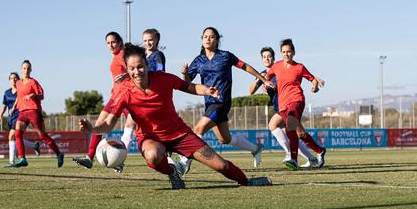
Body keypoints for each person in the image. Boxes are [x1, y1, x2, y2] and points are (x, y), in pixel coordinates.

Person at [78, 43, 272, 189]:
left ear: (146, 64)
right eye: (132, 68)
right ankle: (172, 172)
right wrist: (92, 129)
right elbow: (109, 124)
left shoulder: (164, 79)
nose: (137, 72)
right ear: (127, 70)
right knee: (153, 156)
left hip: (180, 134)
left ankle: (247, 181)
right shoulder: (124, 92)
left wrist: (206, 90)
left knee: (220, 165)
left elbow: (189, 86)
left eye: (140, 66)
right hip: (150, 138)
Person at [180, 27, 275, 172]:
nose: (208, 39)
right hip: (210, 103)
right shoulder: (198, 60)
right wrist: (185, 74)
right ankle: (256, 148)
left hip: (222, 102)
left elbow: (245, 66)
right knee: (225, 139)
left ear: (217, 40)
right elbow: (188, 82)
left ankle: (183, 161)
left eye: (211, 37)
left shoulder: (225, 56)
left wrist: (263, 79)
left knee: (198, 129)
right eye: (205, 36)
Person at [249, 47, 319, 168]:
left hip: (289, 106)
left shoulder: (280, 69)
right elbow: (251, 91)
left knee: (274, 125)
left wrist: (315, 80)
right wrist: (259, 79)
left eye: (269, 56)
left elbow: (297, 73)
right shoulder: (265, 75)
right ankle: (312, 157)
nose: (267, 58)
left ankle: (290, 155)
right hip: (280, 108)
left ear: (274, 58)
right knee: (297, 134)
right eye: (264, 57)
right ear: (261, 59)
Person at [72, 31, 132, 172]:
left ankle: (119, 160)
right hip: (114, 97)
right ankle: (89, 158)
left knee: (137, 128)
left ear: (119, 42)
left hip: (125, 97)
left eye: (113, 42)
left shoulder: (123, 54)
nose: (111, 45)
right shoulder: (115, 57)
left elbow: (135, 69)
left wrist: (126, 75)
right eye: (108, 43)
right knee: (98, 124)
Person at [265, 39, 326, 170]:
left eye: (289, 51)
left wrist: (315, 86)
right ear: (281, 53)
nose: (286, 54)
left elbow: (312, 79)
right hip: (282, 105)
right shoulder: (276, 66)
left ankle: (293, 158)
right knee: (299, 133)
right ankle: (319, 150)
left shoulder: (299, 67)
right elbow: (267, 77)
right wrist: (266, 83)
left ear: (293, 53)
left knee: (290, 127)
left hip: (296, 100)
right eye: (283, 52)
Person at [11, 60, 64, 168]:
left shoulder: (33, 82)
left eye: (28, 68)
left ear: (31, 70)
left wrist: (32, 95)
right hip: (22, 112)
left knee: (43, 136)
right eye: (24, 68)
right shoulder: (18, 83)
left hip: (34, 111)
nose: (26, 70)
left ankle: (59, 154)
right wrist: (13, 107)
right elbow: (19, 96)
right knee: (17, 134)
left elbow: (42, 96)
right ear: (21, 69)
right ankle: (22, 159)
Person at [120, 28, 166, 149]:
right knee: (131, 121)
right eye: (145, 40)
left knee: (135, 122)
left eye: (150, 40)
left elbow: (161, 72)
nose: (148, 43)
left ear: (157, 40)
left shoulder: (158, 55)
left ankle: (121, 152)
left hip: (153, 95)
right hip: (141, 94)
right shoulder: (143, 55)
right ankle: (121, 153)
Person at [0, 72, 40, 167]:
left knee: (11, 136)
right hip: (11, 118)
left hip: (21, 116)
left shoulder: (21, 91)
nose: (13, 80)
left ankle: (11, 161)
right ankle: (34, 146)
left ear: (18, 79)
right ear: (9, 80)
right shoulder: (6, 93)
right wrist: (0, 116)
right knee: (16, 137)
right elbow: (4, 106)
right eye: (11, 78)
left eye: (15, 78)